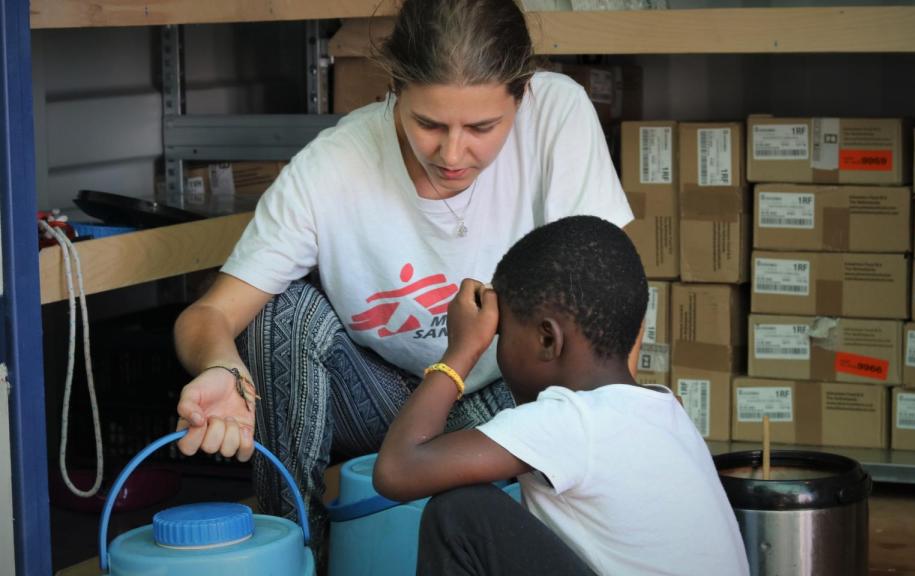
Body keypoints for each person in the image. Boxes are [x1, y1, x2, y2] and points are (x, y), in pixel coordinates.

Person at [170, 0, 634, 565]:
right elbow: (209, 316)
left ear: (523, 93)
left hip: (507, 395)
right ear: (395, 87)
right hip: (385, 398)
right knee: (280, 314)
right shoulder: (333, 166)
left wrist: (610, 441)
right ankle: (295, 549)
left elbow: (608, 299)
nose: (453, 153)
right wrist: (220, 366)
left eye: (483, 127)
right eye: (428, 124)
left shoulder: (558, 115)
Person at [374, 215, 749, 576]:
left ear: (547, 339)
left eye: (500, 335)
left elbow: (397, 470)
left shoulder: (572, 421)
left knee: (460, 514)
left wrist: (461, 351)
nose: (495, 348)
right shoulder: (665, 412)